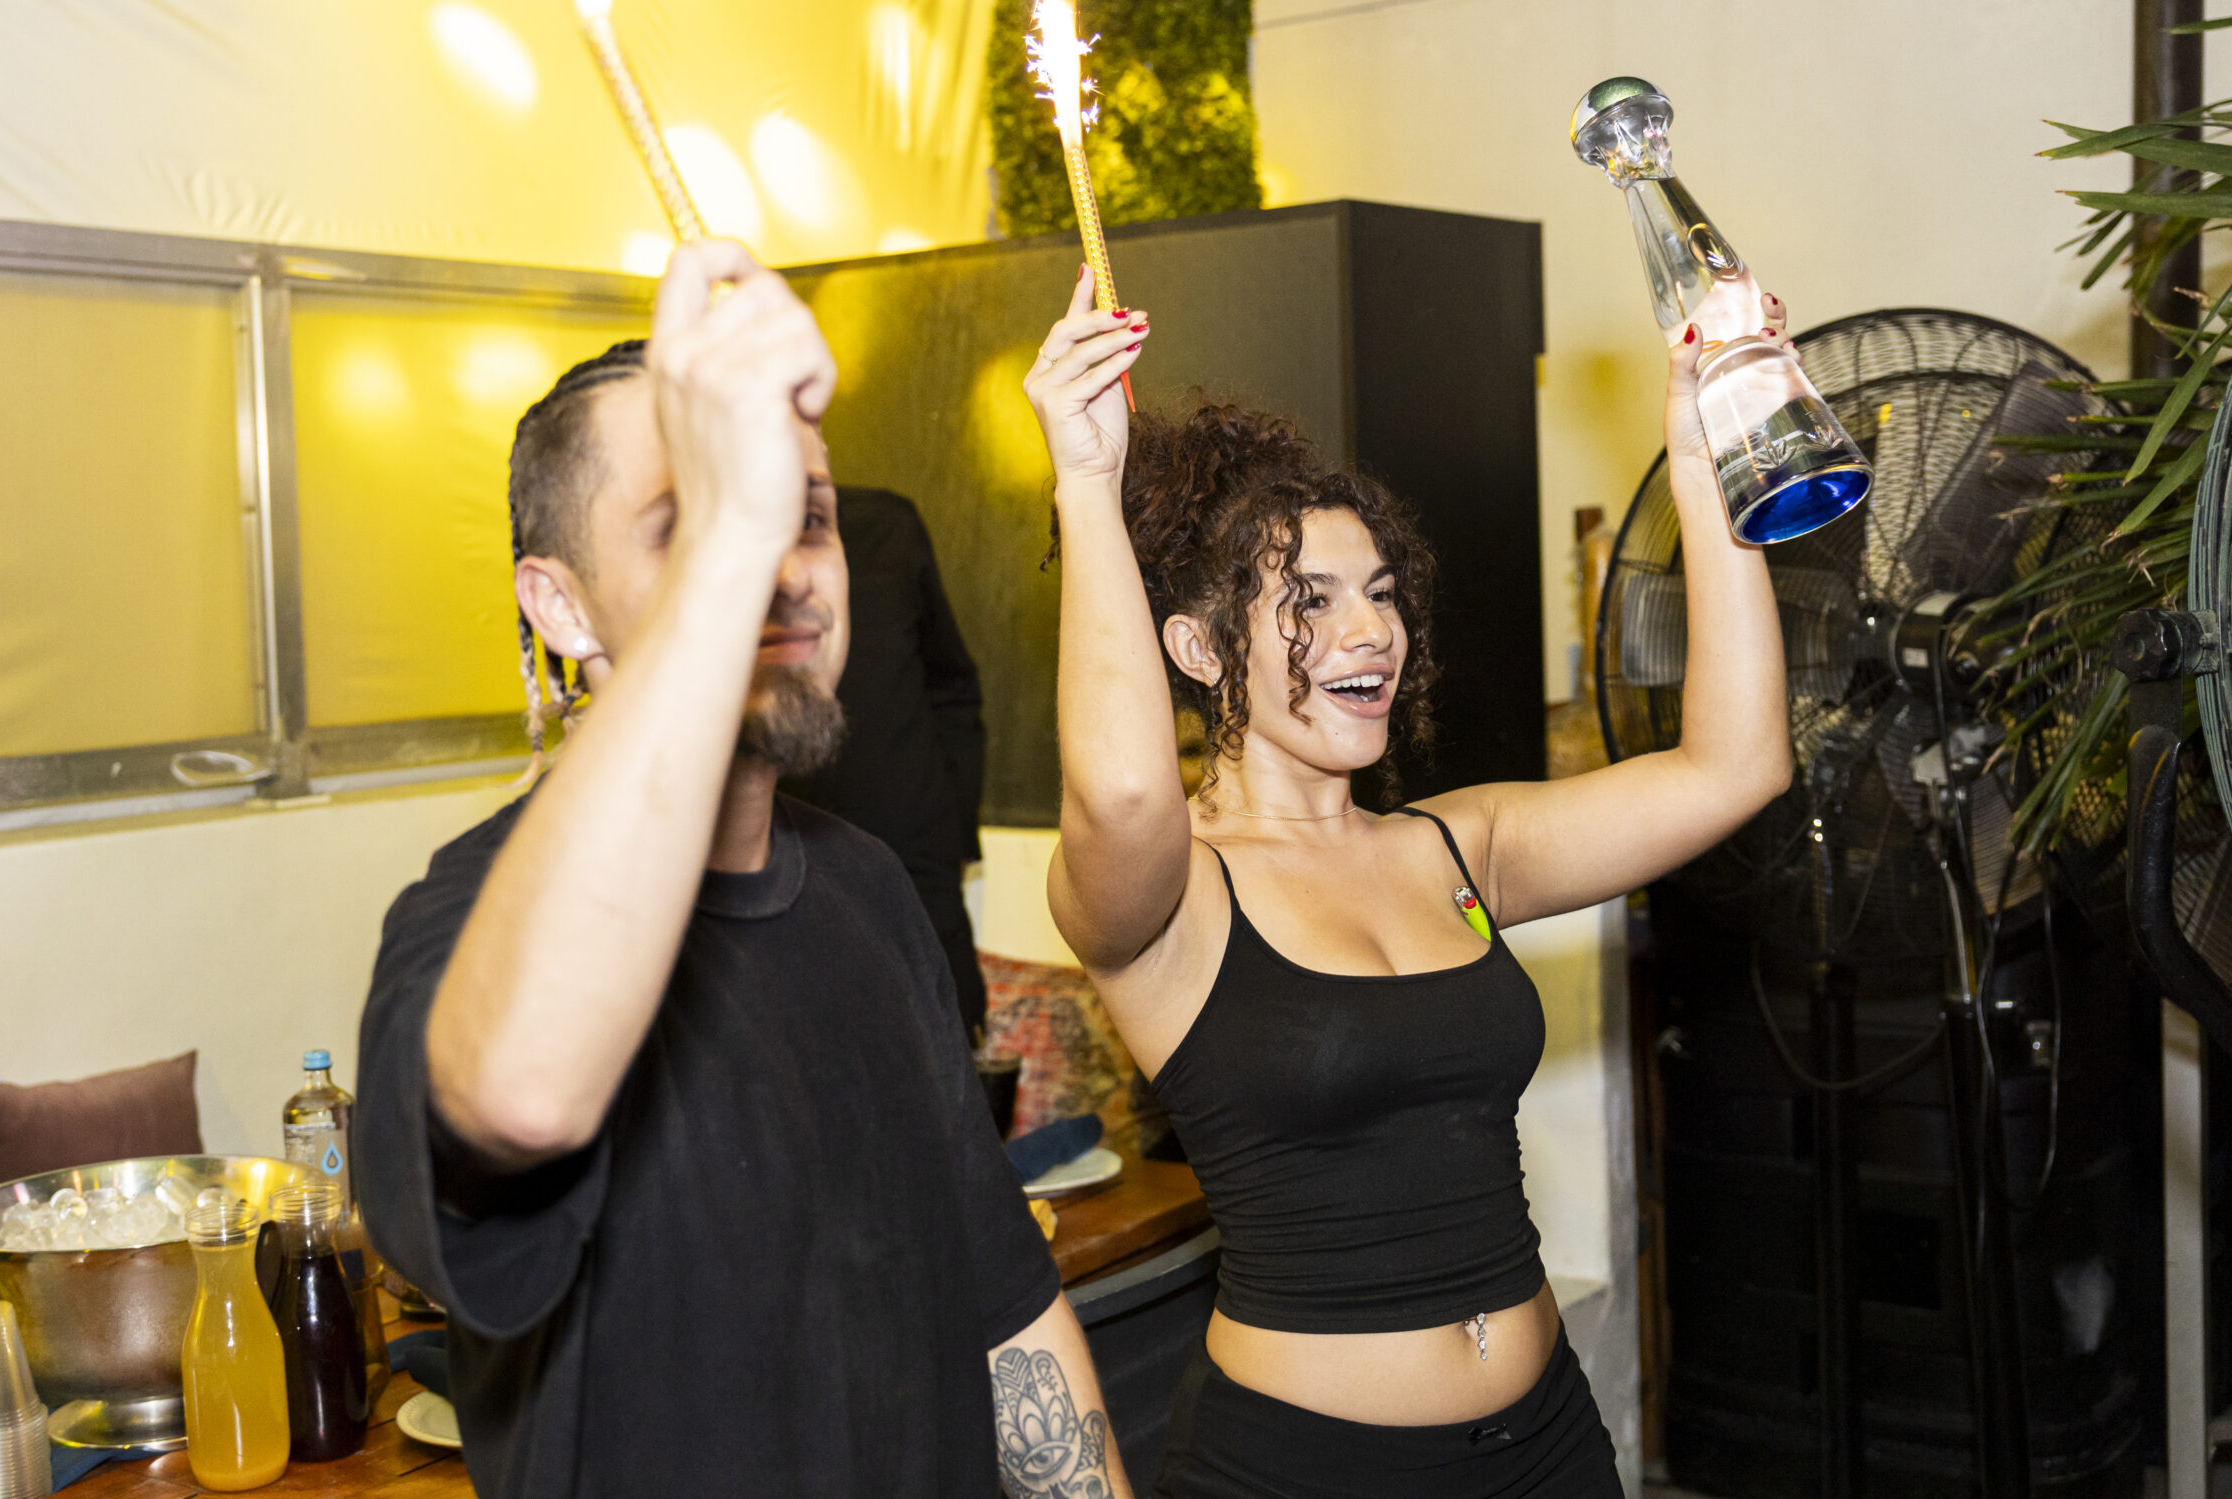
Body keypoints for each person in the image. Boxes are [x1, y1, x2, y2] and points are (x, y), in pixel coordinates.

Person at [355, 241, 1131, 1499]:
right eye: (696, 520)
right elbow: (523, 1098)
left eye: (806, 516)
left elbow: (1005, 1312)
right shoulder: (464, 919)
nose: (784, 561)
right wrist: (742, 536)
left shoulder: (869, 890)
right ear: (559, 607)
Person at [1023, 267, 1792, 1497]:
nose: (1371, 632)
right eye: (1310, 602)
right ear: (1199, 646)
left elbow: (1736, 764)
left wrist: (1702, 466)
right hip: (1307, 1468)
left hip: (1546, 1446)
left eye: (1380, 595)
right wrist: (1085, 484)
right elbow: (1121, 795)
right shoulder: (1168, 902)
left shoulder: (1455, 847)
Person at [785, 485, 991, 1041]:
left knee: (950, 1039)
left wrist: (950, 837)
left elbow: (953, 687)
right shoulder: (713, 540)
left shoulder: (886, 525)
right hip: (792, 868)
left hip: (914, 860)